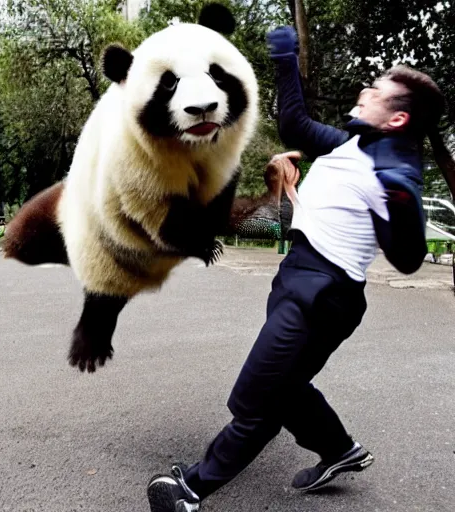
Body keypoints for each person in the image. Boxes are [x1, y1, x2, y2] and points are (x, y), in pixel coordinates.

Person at [146, 25, 454, 512]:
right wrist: (285, 59)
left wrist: (400, 202)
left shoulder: (394, 171)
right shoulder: (350, 145)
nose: (363, 90)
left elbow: (409, 256)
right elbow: (294, 123)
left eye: (375, 90)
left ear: (396, 118)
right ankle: (338, 449)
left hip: (320, 296)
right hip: (301, 280)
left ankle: (190, 491)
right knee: (285, 384)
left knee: (257, 398)